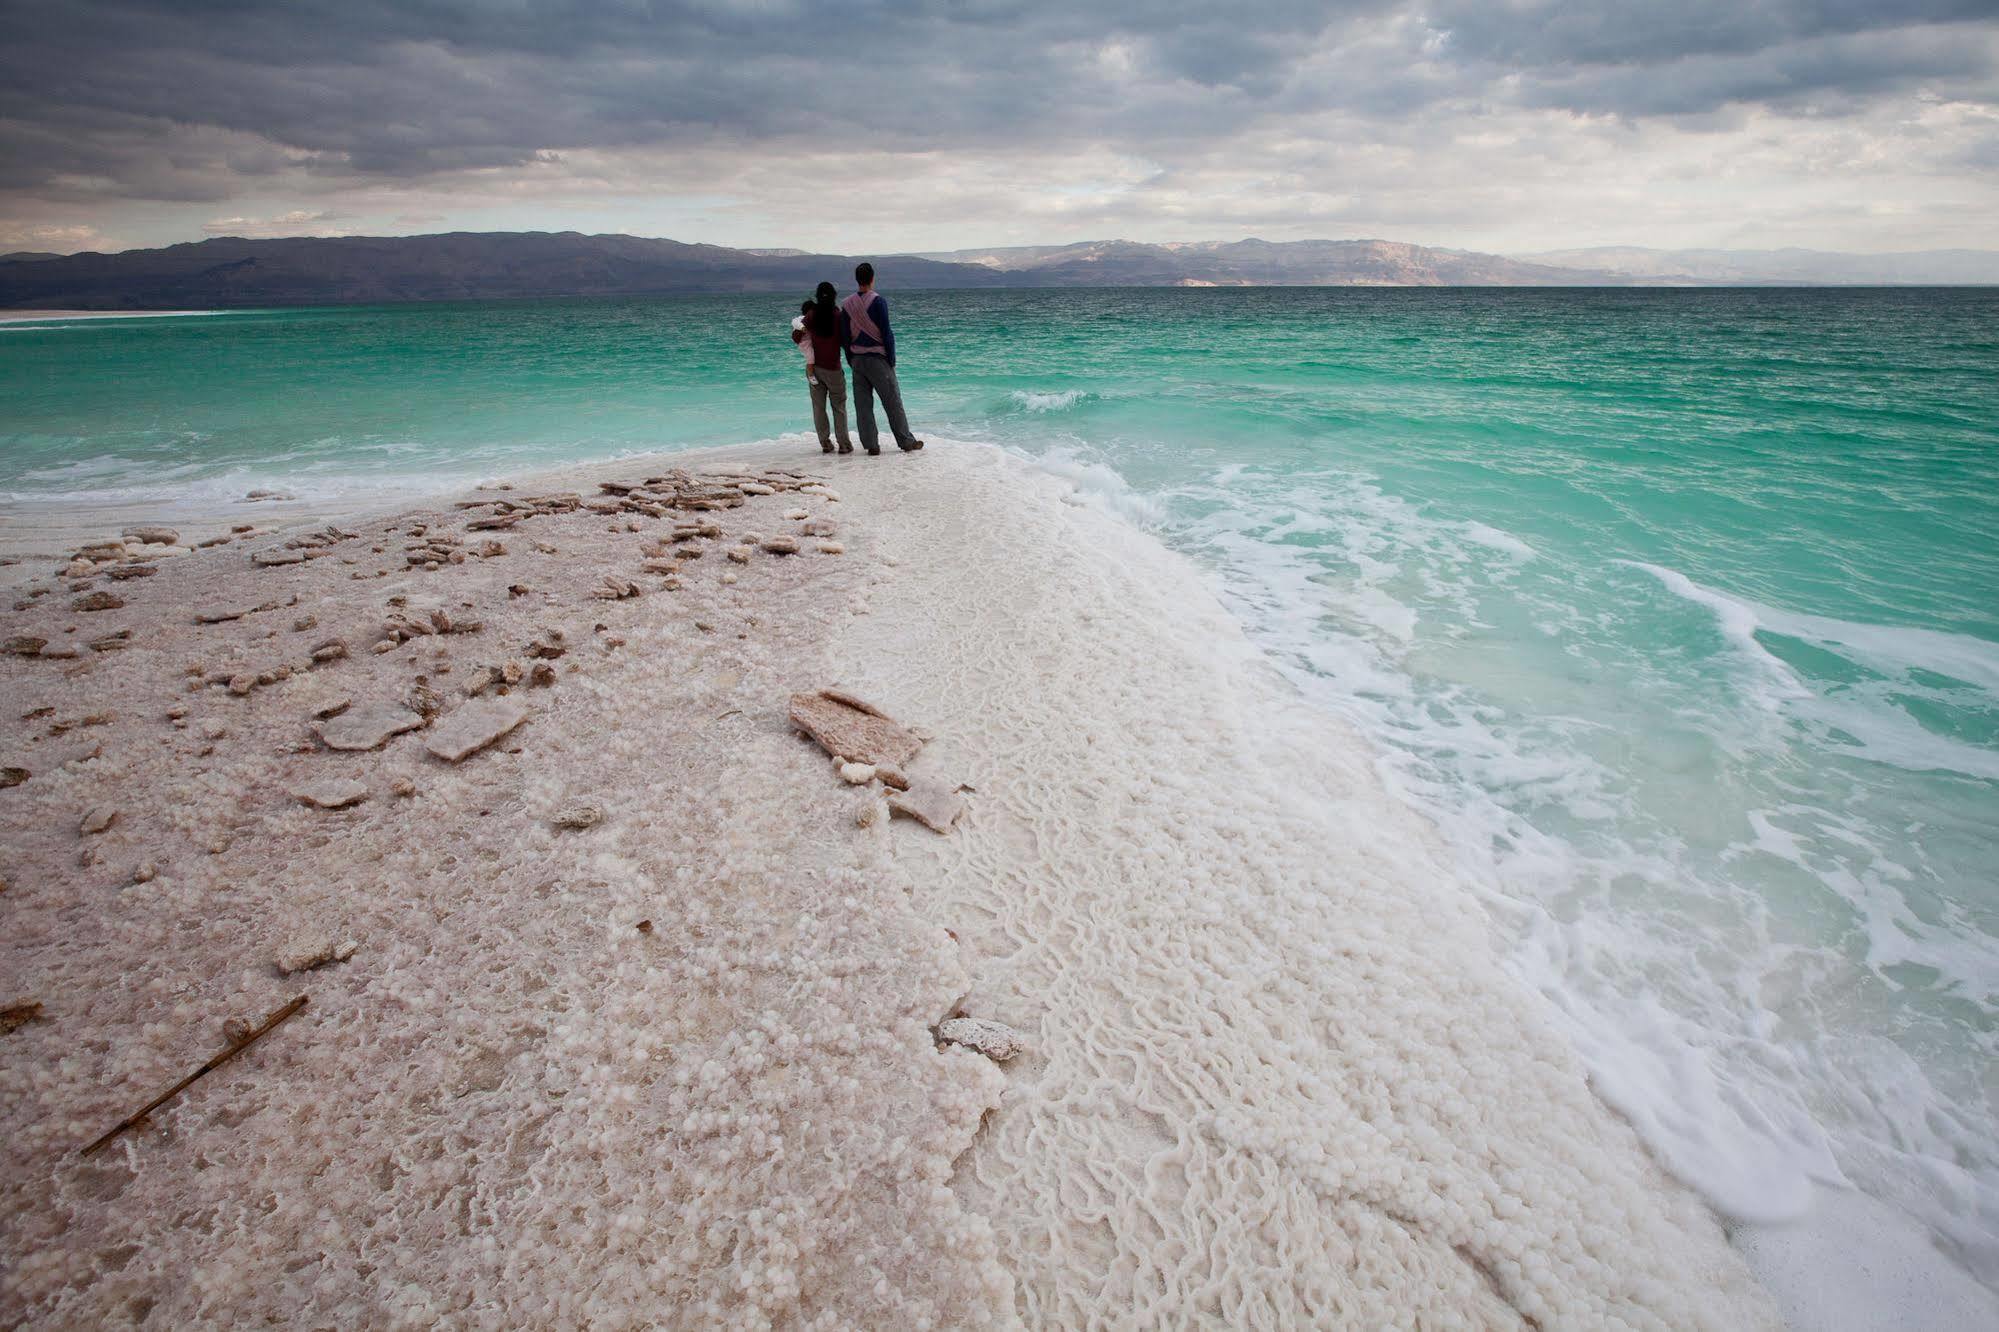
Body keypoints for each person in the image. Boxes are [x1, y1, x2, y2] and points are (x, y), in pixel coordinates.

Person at [839, 261, 924, 455]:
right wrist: (891, 359)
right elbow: (886, 333)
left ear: (857, 279)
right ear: (872, 278)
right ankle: (906, 441)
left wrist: (851, 358)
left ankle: (871, 446)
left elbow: (844, 337)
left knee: (863, 406)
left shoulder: (847, 304)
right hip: (878, 359)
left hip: (858, 360)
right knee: (893, 402)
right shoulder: (878, 301)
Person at [790, 285, 852, 454]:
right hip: (833, 369)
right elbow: (845, 342)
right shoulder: (838, 316)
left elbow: (796, 337)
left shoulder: (811, 315)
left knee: (819, 408)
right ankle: (844, 444)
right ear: (834, 297)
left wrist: (806, 332)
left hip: (814, 369)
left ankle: (825, 443)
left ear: (817, 297)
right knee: (838, 407)